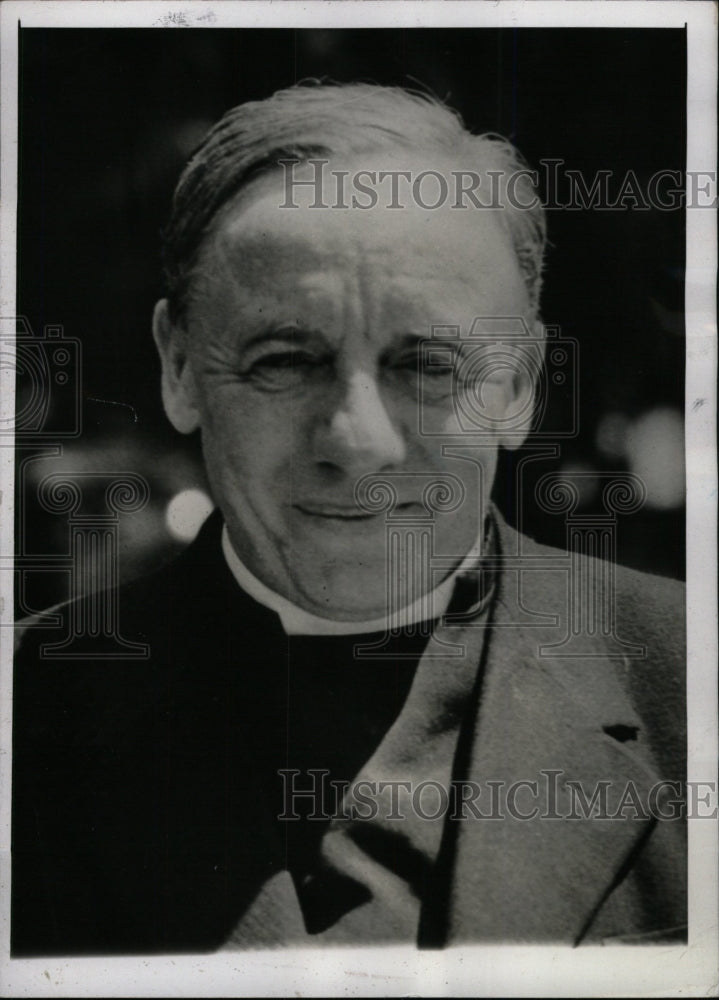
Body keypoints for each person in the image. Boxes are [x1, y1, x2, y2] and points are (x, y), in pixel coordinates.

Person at [12, 82, 686, 954]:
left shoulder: (693, 685)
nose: (357, 442)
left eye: (428, 365)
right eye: (287, 359)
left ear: (519, 387)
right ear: (178, 367)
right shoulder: (24, 716)